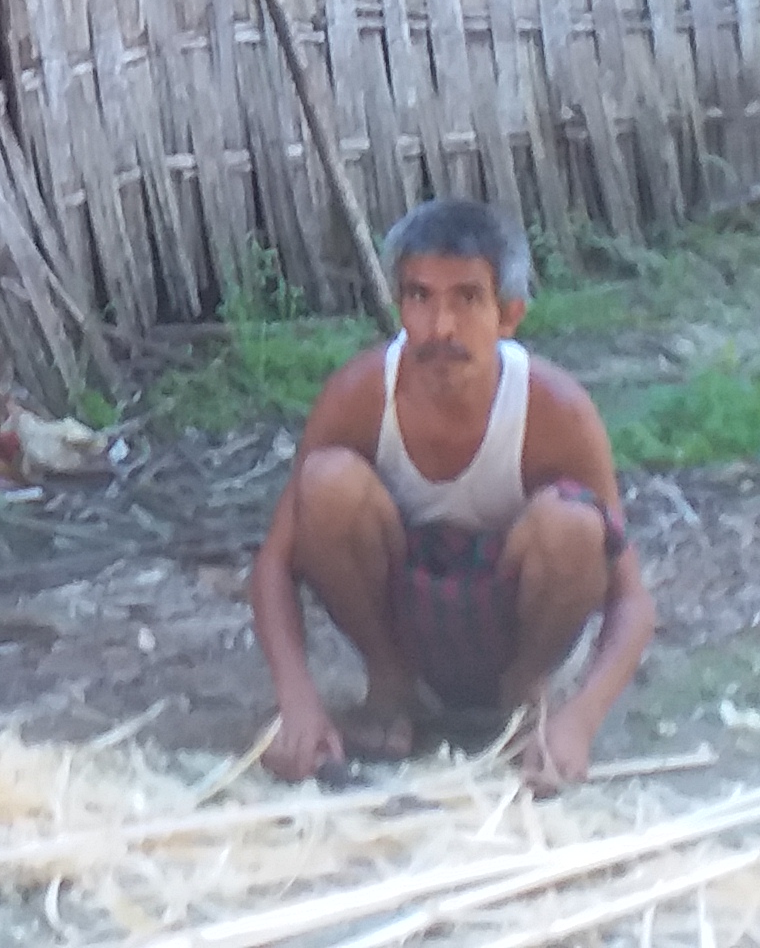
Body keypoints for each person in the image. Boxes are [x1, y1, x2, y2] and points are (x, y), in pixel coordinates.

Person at [246, 198, 654, 791]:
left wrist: (581, 722)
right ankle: (390, 690)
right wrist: (297, 699)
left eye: (467, 299)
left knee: (574, 525)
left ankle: (524, 697)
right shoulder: (360, 396)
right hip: (400, 627)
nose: (441, 328)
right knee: (326, 484)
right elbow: (275, 564)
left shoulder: (556, 411)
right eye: (420, 297)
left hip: (518, 627)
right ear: (399, 307)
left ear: (508, 314)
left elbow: (632, 599)